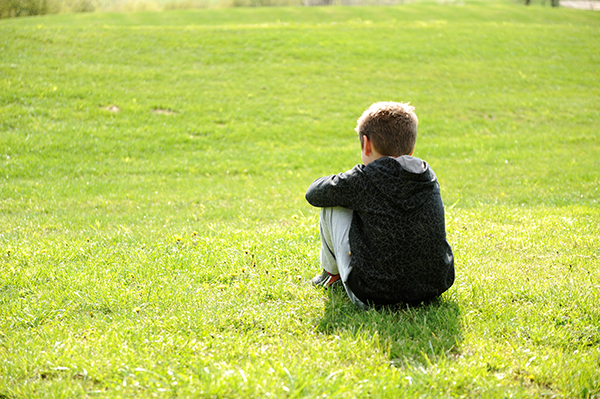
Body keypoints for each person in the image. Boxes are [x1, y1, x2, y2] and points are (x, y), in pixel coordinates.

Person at [305, 101, 455, 309]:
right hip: (433, 288)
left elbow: (314, 193)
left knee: (332, 202)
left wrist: (352, 176)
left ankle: (331, 275)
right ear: (411, 148)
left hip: (374, 295)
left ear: (366, 144)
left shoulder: (364, 179)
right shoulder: (427, 175)